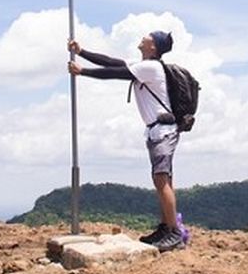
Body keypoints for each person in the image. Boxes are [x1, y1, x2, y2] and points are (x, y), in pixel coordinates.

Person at [67, 30, 185, 252]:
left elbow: (116, 72)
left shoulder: (150, 67)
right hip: (157, 130)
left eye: (148, 37)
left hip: (162, 131)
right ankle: (166, 228)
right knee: (163, 180)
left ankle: (174, 233)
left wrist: (82, 71)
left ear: (154, 47)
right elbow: (111, 62)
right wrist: (81, 52)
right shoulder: (144, 65)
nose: (143, 37)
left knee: (161, 180)